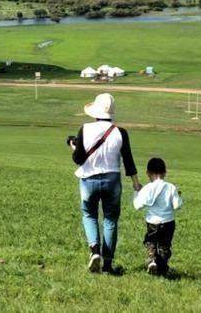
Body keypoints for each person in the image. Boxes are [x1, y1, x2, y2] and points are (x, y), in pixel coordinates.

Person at [69, 93, 142, 274]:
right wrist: (136, 184)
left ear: (95, 112)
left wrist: (74, 146)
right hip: (112, 179)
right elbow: (129, 161)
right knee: (110, 220)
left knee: (89, 215)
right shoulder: (120, 132)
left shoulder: (84, 129)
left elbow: (78, 159)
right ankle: (108, 263)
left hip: (89, 179)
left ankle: (95, 251)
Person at [133, 157, 183, 275]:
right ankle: (163, 268)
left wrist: (137, 192)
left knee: (151, 241)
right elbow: (177, 205)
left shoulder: (147, 188)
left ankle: (152, 260)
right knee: (164, 245)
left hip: (152, 222)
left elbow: (137, 206)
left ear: (148, 173)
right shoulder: (171, 187)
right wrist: (179, 196)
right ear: (165, 173)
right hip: (168, 222)